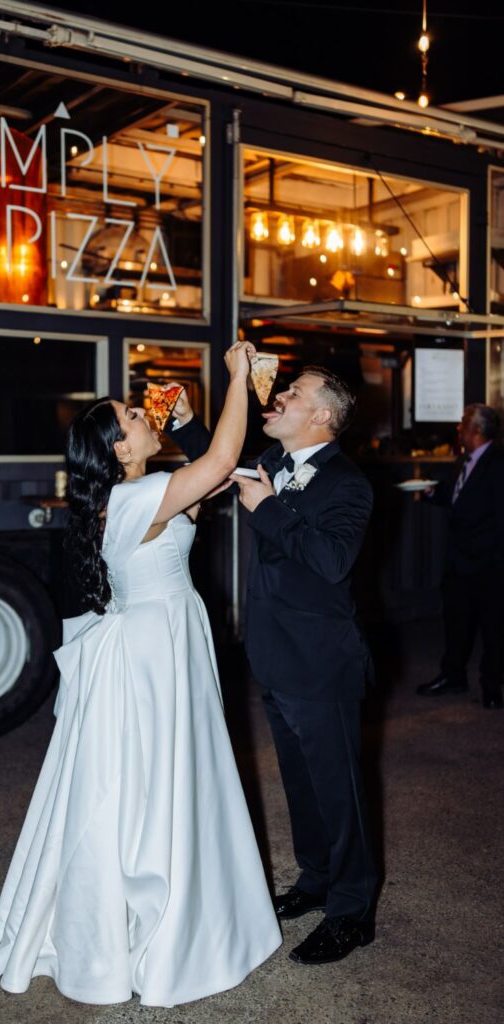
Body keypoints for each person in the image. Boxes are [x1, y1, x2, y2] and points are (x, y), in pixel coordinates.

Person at [0, 340, 282, 1007]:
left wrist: (191, 419)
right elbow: (221, 462)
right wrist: (234, 381)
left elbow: (212, 478)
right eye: (132, 417)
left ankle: (166, 902)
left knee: (157, 777)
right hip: (152, 651)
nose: (142, 416)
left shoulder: (134, 495)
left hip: (161, 639)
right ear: (119, 450)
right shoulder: (137, 497)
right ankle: (151, 921)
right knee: (155, 779)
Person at [170, 366, 377, 965]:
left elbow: (333, 560)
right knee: (301, 784)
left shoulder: (348, 483)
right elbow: (219, 464)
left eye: (294, 393)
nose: (280, 395)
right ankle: (315, 881)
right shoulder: (273, 461)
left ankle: (352, 912)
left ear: (322, 417)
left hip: (322, 665)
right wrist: (185, 422)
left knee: (340, 794)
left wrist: (267, 508)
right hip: (275, 655)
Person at [416, 403, 504, 709]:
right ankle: (452, 676)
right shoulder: (464, 460)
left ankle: (492, 686)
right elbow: (456, 495)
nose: (458, 428)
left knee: (493, 629)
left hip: (488, 563)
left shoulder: (497, 463)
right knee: (455, 622)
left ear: (477, 430)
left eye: (463, 423)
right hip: (458, 560)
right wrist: (429, 493)